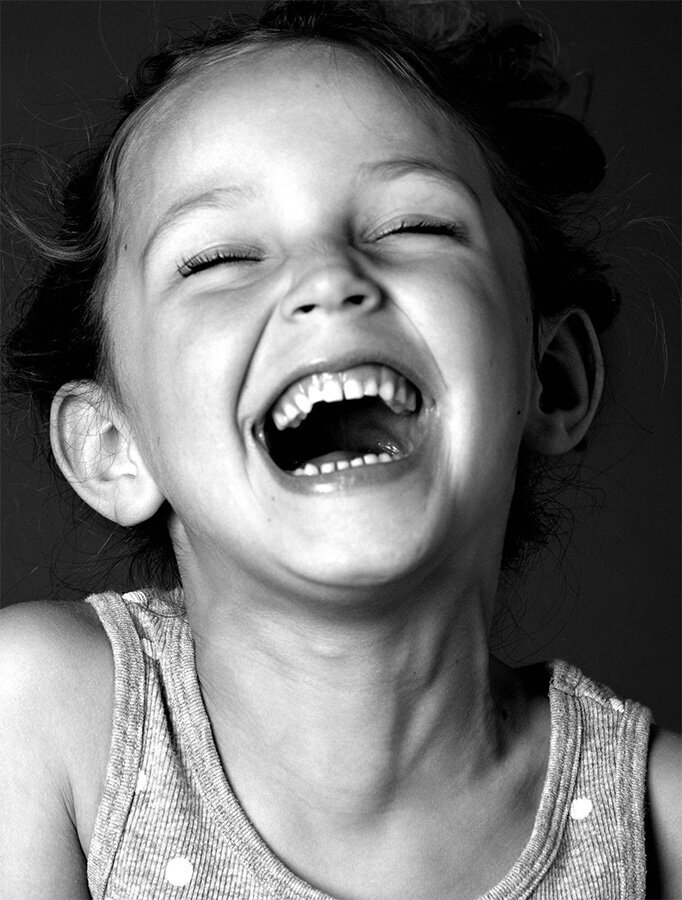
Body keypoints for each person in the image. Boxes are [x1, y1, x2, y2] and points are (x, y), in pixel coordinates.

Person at [1, 2, 679, 897]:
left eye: (414, 226)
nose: (327, 278)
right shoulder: (43, 721)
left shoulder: (661, 821)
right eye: (218, 258)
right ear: (114, 447)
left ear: (548, 379)